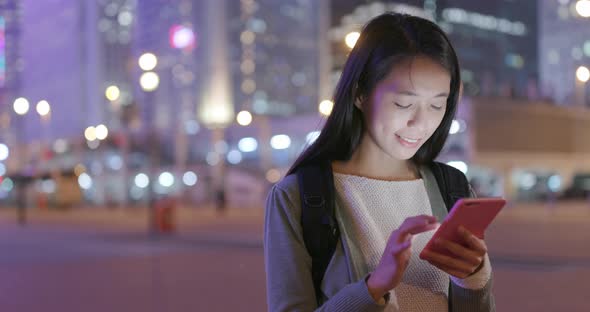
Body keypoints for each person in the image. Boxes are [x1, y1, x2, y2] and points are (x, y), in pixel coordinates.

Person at [264, 12, 495, 311]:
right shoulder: (299, 197)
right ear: (360, 93)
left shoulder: (450, 188)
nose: (421, 123)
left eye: (438, 105)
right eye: (404, 103)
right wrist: (373, 288)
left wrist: (473, 279)